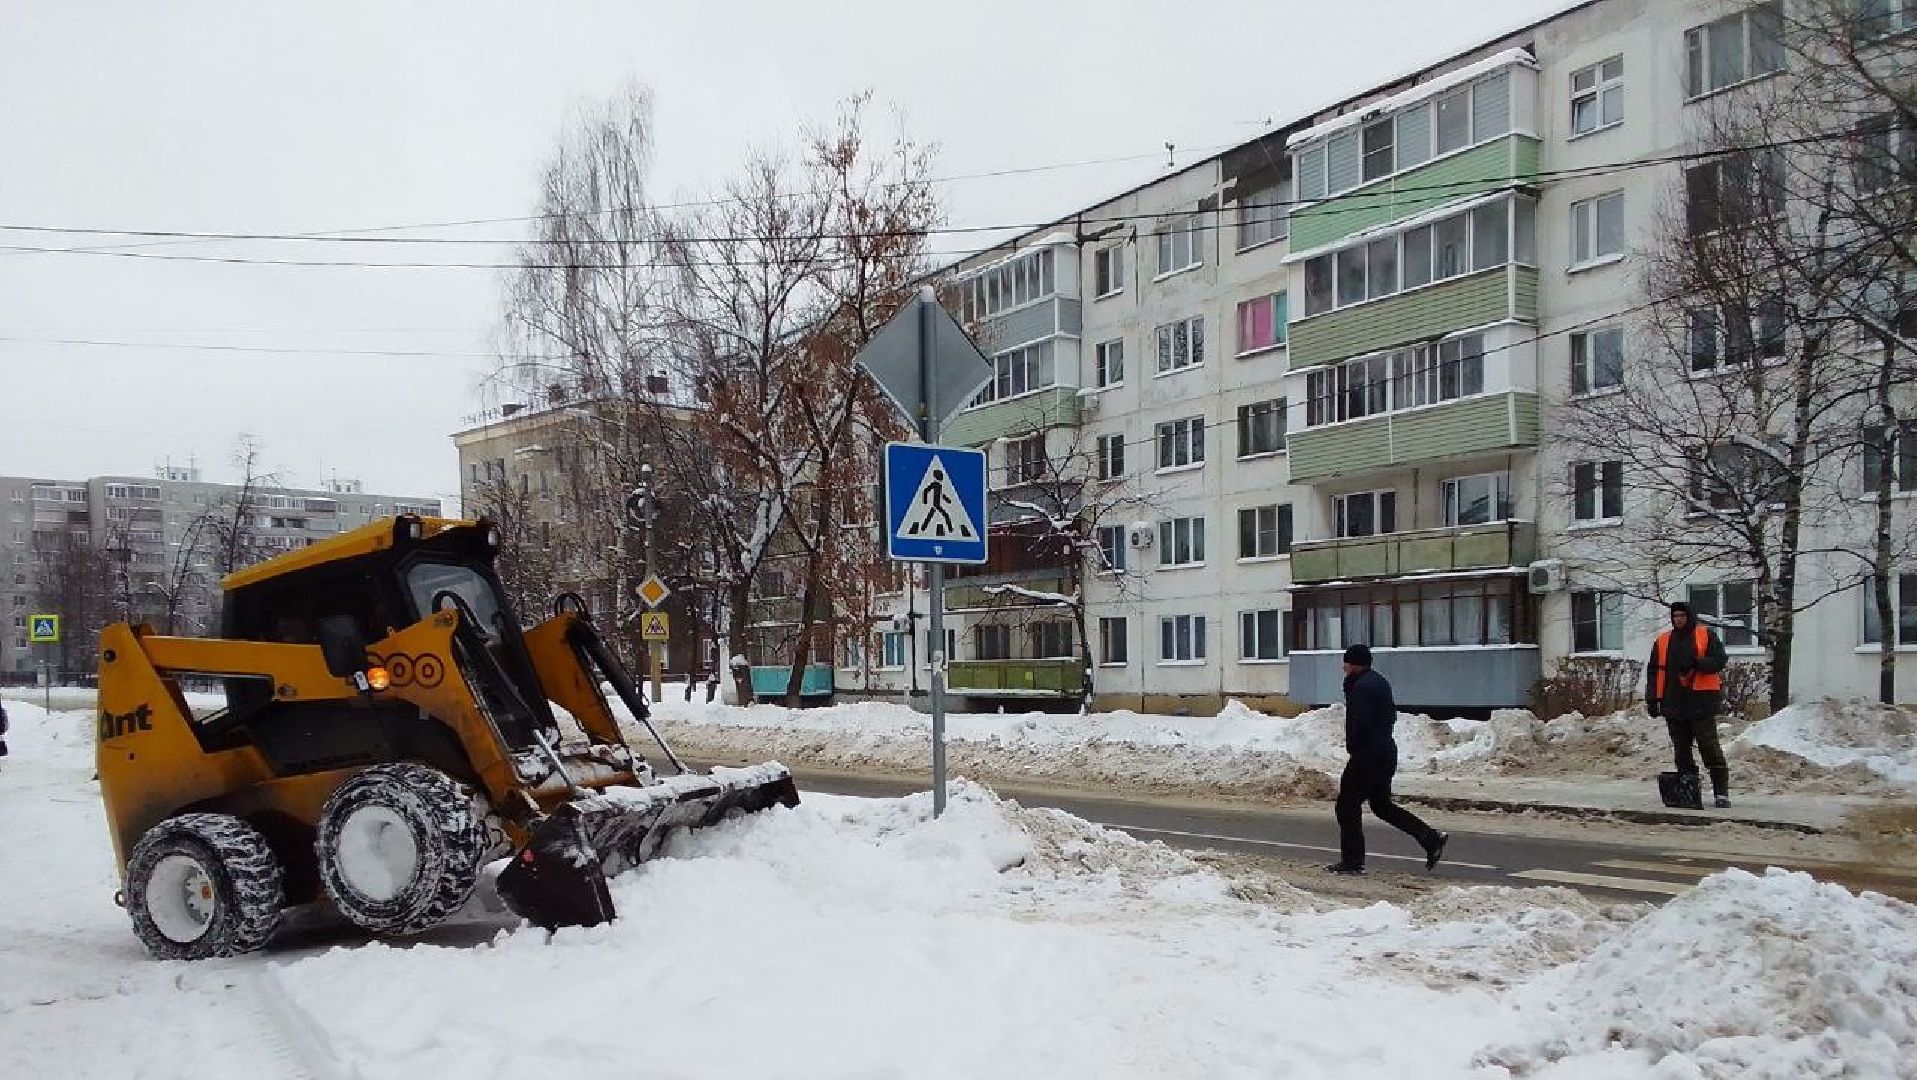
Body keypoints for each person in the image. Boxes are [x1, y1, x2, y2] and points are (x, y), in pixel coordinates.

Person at [1325, 644, 1447, 875]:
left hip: (1368, 755)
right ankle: (1430, 838)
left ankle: (1352, 863)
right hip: (1385, 752)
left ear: (1355, 664)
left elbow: (1360, 723)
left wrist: (1356, 745)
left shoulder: (1361, 688)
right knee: (1381, 805)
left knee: (1347, 806)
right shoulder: (1379, 682)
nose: (1344, 668)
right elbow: (1389, 716)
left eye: (1346, 663)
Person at [1645, 601, 1731, 808]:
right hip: (1673, 702)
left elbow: (1719, 660)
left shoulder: (1705, 635)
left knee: (1709, 747)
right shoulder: (1663, 640)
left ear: (1689, 616)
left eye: (1682, 616)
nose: (1679, 620)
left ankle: (1721, 792)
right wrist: (1653, 699)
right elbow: (1654, 672)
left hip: (1701, 702)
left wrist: (1697, 663)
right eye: (1675, 616)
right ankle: (1688, 789)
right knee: (1681, 751)